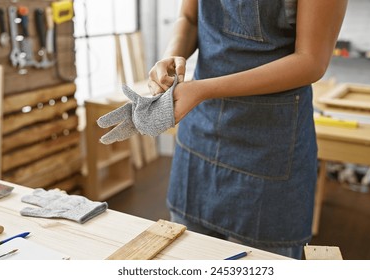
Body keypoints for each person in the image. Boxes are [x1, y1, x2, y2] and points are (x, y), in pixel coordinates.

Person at [109, 0, 348, 259]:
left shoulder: (202, 93)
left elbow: (311, 61)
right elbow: (189, 18)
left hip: (271, 139)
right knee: (188, 255)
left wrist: (203, 90)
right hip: (201, 128)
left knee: (264, 260)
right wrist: (172, 54)